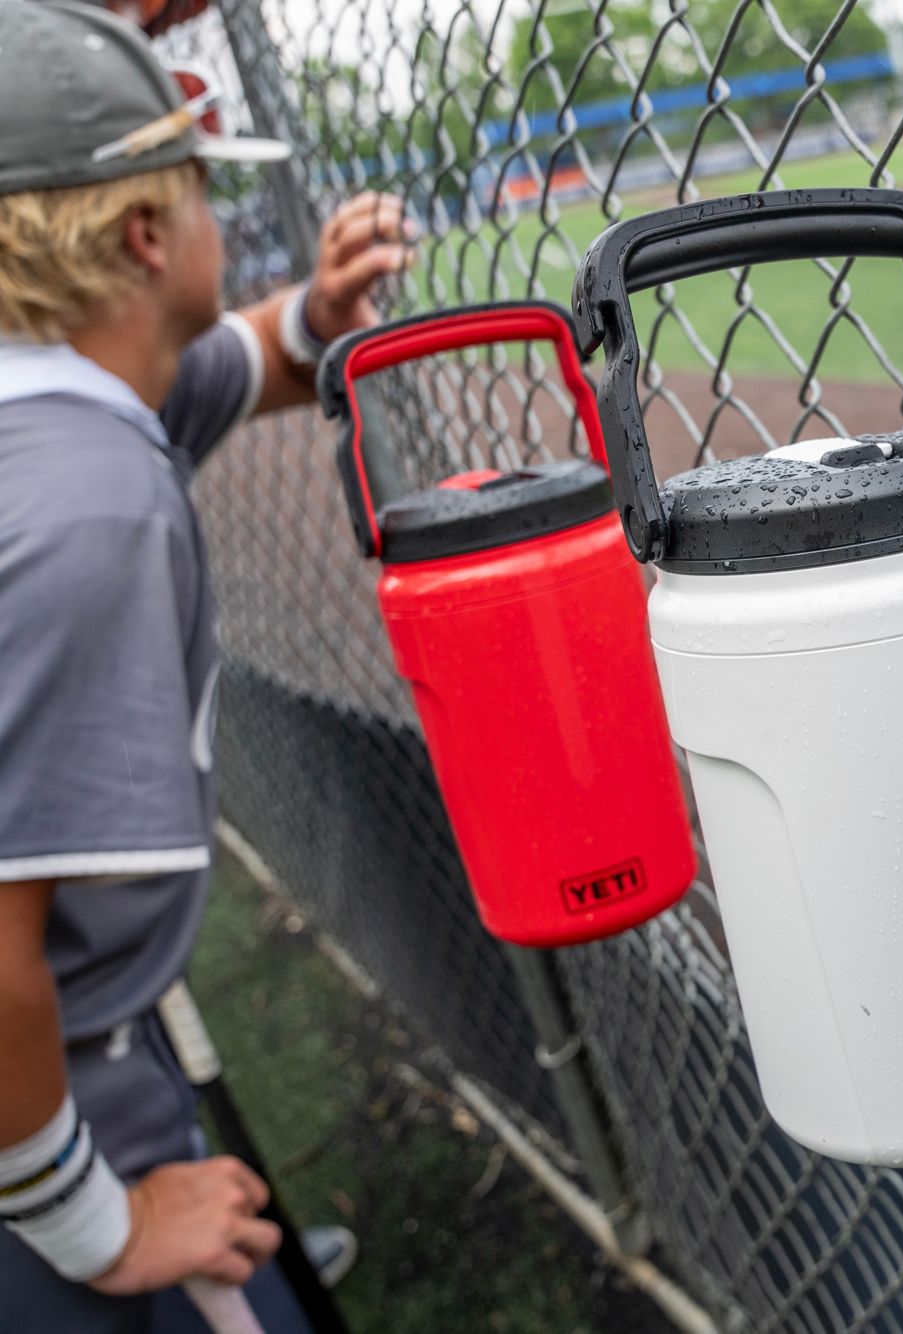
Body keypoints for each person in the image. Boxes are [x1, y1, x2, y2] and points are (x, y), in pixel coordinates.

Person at [0, 3, 412, 1328]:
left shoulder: (55, 401)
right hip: (52, 1110)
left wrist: (315, 314)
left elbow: (226, 362)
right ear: (141, 236)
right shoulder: (85, 502)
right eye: (197, 190)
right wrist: (91, 1216)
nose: (220, 224)